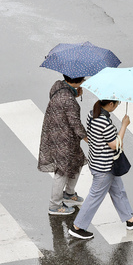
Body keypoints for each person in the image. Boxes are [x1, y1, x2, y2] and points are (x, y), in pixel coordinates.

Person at [68, 99, 133, 240]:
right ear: (110, 104)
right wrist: (124, 126)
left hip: (101, 162)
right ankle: (77, 227)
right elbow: (115, 145)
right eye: (117, 104)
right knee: (94, 197)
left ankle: (130, 219)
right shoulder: (104, 122)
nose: (117, 106)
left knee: (118, 190)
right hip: (104, 167)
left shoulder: (92, 115)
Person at [38, 75, 88, 215]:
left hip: (56, 133)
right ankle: (54, 205)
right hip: (63, 138)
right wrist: (87, 138)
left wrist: (74, 93)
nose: (84, 82)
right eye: (82, 80)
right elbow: (75, 123)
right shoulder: (68, 100)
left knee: (77, 162)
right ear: (76, 81)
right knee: (62, 171)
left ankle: (69, 194)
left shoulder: (58, 86)